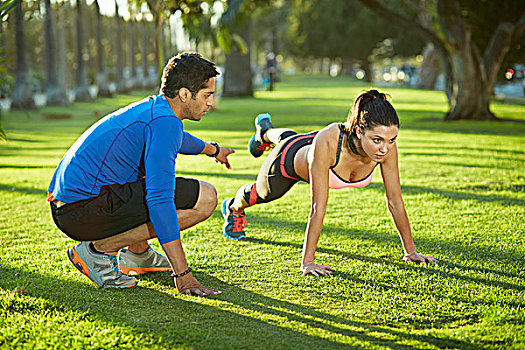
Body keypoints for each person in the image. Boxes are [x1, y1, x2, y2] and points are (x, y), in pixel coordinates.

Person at [48, 53, 234, 296]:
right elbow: (159, 201)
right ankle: (96, 251)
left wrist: (213, 150)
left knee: (140, 176)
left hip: (70, 206)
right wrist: (182, 273)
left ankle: (138, 255)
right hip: (80, 211)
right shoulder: (165, 123)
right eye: (207, 95)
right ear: (185, 94)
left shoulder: (157, 111)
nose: (211, 102)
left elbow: (178, 139)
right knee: (205, 198)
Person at [220, 89, 437, 276]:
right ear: (359, 130)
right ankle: (233, 207)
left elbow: (395, 201)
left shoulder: (386, 148)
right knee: (261, 193)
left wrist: (410, 252)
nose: (385, 148)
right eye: (377, 140)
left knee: (292, 136)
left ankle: (265, 132)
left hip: (313, 146)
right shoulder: (330, 141)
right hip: (289, 160)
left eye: (392, 140)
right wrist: (308, 262)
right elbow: (317, 207)